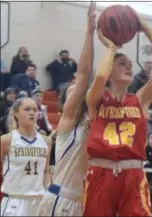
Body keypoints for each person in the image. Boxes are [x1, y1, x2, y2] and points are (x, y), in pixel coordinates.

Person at [82, 12, 152, 216]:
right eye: (122, 63)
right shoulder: (96, 98)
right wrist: (112, 49)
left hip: (133, 173)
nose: (129, 66)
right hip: (100, 172)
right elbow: (100, 76)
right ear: (110, 68)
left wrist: (147, 29)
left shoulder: (140, 99)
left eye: (130, 65)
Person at [37, 3, 95, 216]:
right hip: (61, 199)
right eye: (72, 92)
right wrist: (90, 32)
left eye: (78, 91)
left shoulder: (94, 119)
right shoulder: (67, 121)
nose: (77, 92)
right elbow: (84, 74)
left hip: (85, 202)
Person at [0, 97, 52, 216]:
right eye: (27, 109)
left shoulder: (46, 141)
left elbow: (45, 171)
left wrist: (49, 193)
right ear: (16, 113)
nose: (32, 113)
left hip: (39, 200)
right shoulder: (6, 140)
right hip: (14, 200)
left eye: (34, 110)